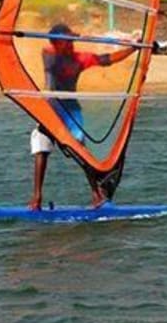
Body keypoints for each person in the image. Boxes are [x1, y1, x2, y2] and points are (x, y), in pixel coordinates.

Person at [29, 22, 137, 210]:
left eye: (71, 42)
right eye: (66, 42)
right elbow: (49, 45)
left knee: (81, 150)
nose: (70, 45)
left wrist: (133, 49)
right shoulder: (49, 55)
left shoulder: (80, 59)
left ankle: (96, 194)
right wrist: (72, 36)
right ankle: (36, 198)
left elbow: (107, 59)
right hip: (51, 109)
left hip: (71, 110)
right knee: (40, 145)